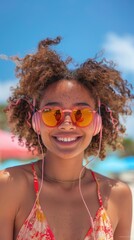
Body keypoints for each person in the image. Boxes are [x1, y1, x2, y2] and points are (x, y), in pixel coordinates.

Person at [0, 36, 133, 240]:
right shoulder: (9, 185)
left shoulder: (118, 195)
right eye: (52, 113)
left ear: (98, 122)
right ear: (36, 121)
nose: (67, 123)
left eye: (82, 114)